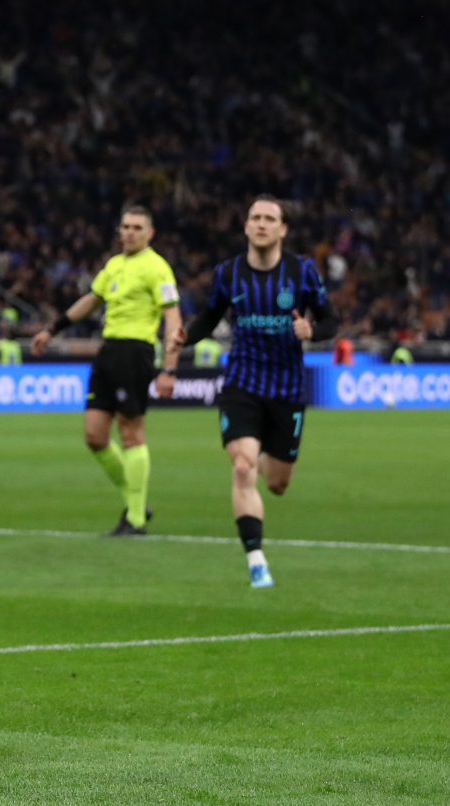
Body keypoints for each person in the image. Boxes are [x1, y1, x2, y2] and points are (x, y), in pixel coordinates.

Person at [171, 195, 338, 587]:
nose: (261, 224)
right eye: (255, 218)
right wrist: (186, 336)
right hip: (242, 382)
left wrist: (312, 330)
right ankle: (256, 560)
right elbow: (209, 318)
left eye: (270, 219)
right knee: (242, 466)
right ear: (246, 227)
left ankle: (263, 450)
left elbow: (331, 319)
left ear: (282, 230)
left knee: (278, 483)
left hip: (287, 387)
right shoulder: (228, 273)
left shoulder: (302, 272)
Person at [31, 206, 181, 535]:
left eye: (136, 227)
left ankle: (137, 519)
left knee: (131, 432)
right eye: (124, 226)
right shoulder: (114, 265)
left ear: (149, 233)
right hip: (108, 350)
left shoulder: (157, 268)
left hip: (136, 350)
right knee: (95, 436)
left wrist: (170, 367)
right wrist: (52, 328)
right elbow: (90, 300)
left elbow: (173, 317)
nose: (128, 232)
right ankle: (137, 501)